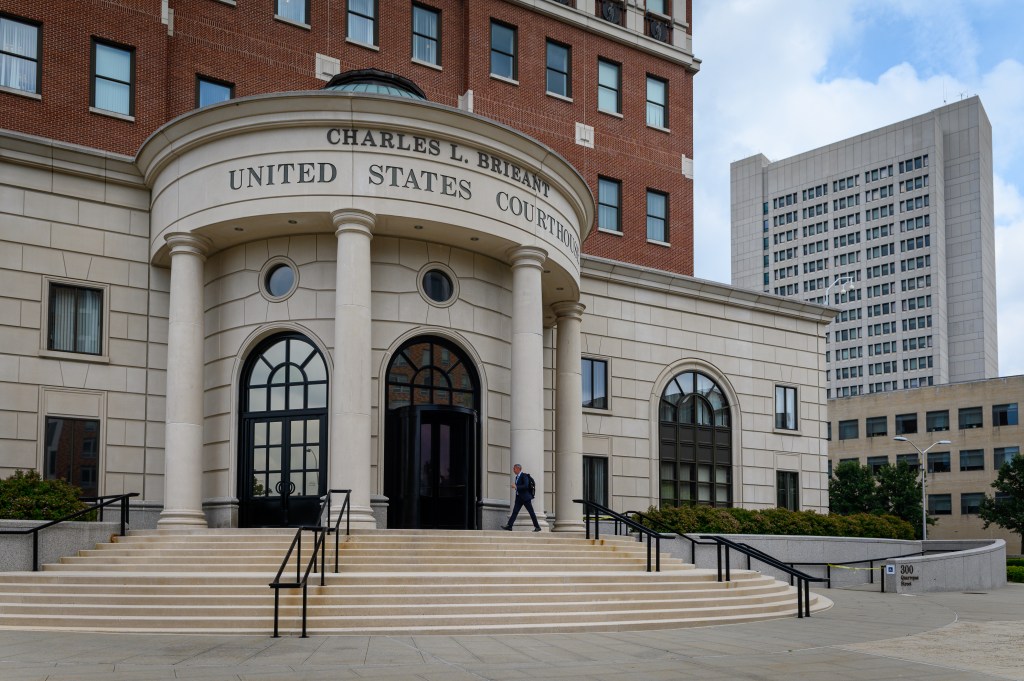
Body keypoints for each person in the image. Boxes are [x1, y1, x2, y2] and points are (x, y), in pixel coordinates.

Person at [502, 463, 542, 532]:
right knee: (515, 512)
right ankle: (509, 526)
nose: (513, 470)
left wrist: (516, 487)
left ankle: (537, 527)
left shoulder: (524, 476)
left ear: (518, 469)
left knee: (531, 512)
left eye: (514, 468)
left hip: (526, 498)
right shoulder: (516, 477)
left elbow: (526, 486)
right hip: (519, 498)